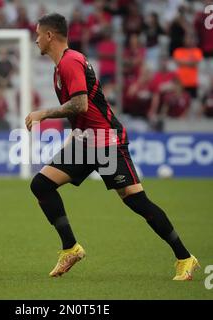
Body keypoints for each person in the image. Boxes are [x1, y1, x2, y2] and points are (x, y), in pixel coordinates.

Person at [26, 13, 199, 280]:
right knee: (41, 185)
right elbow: (84, 111)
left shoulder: (71, 62)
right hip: (86, 141)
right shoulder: (62, 66)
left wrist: (43, 113)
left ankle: (185, 258)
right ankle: (70, 248)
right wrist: (75, 135)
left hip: (107, 141)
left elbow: (81, 104)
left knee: (136, 201)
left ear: (50, 36)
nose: (35, 39)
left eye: (38, 34)